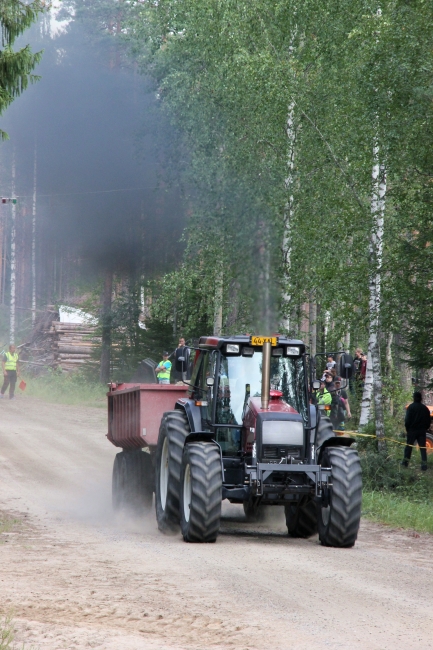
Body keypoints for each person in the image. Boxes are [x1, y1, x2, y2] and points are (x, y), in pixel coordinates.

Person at [402, 391, 431, 470]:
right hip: (422, 431)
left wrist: (408, 429)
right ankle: (424, 466)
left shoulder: (411, 407)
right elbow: (428, 421)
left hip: (412, 430)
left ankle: (405, 463)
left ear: (414, 398)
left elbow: (407, 420)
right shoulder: (425, 408)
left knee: (409, 447)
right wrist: (425, 428)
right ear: (421, 398)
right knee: (423, 448)